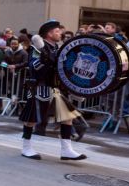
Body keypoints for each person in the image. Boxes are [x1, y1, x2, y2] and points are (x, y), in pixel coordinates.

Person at [19, 20, 86, 161]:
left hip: (55, 88)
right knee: (31, 119)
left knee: (67, 117)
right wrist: (45, 56)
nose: (60, 33)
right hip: (40, 87)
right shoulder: (37, 48)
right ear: (49, 34)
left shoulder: (57, 48)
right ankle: (26, 147)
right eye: (57, 31)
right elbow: (34, 67)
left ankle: (66, 150)